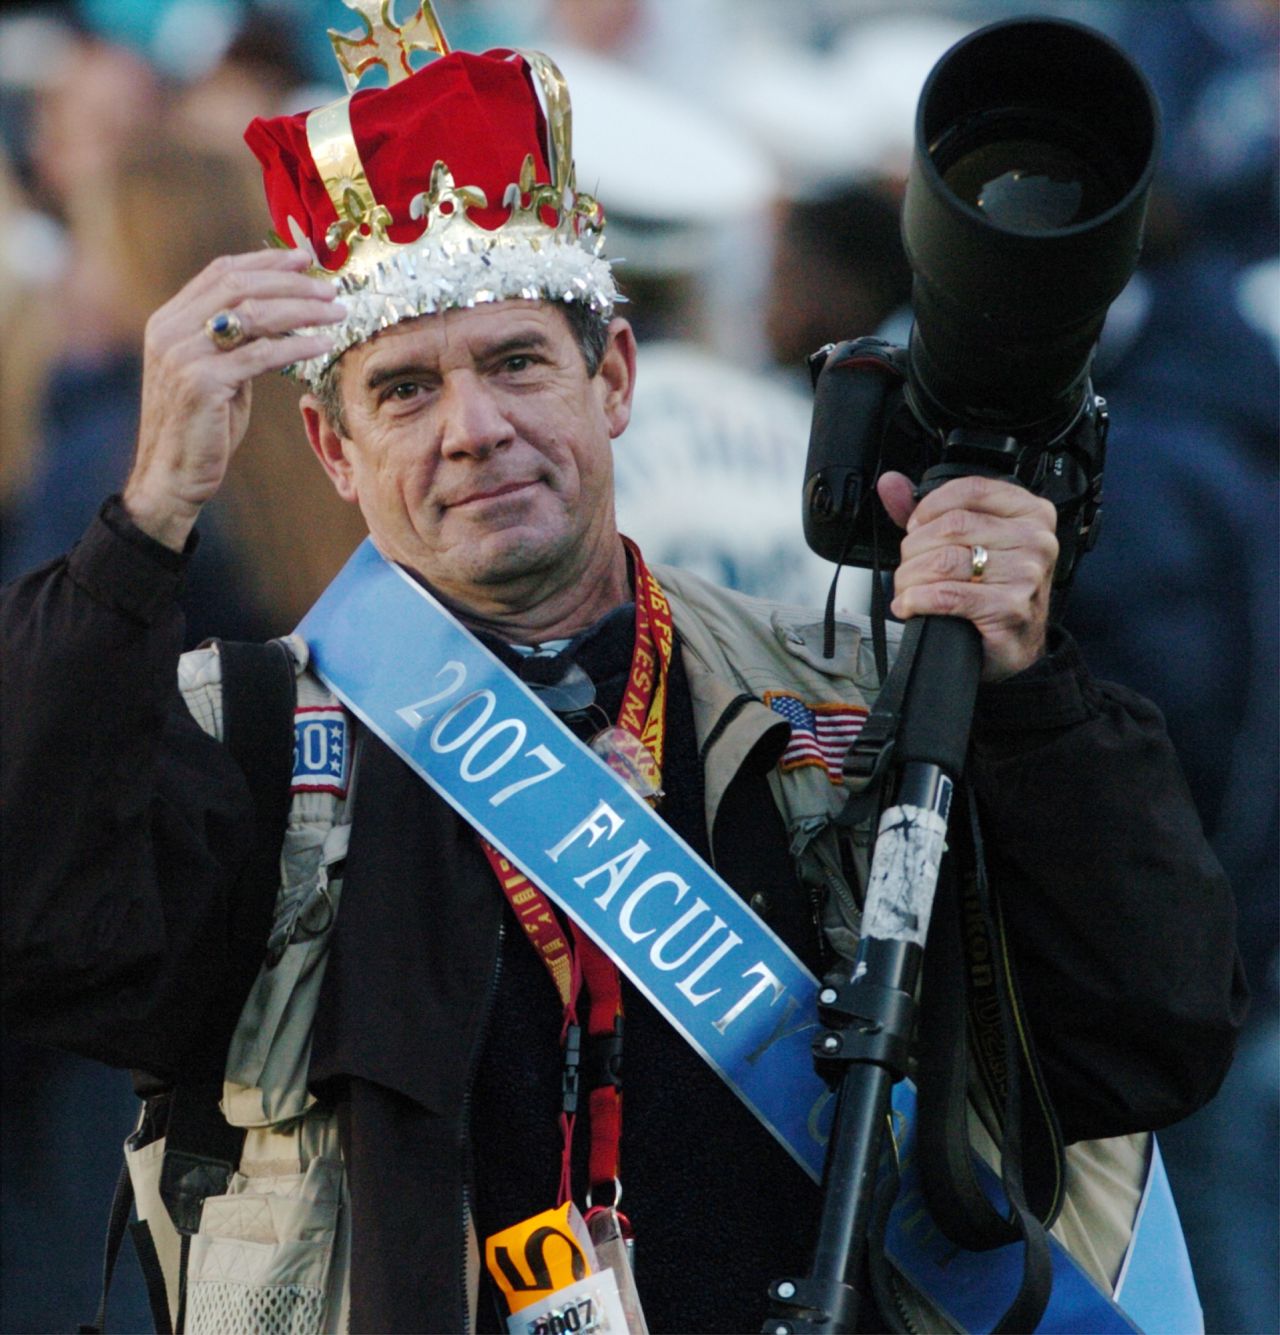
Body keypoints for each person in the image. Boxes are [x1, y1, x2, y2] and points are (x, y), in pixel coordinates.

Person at [0, 7, 1246, 1334]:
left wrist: (1027, 686)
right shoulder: (251, 733)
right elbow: (39, 938)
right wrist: (139, 530)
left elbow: (1148, 1033)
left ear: (618, 378)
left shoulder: (844, 695)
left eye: (518, 362)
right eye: (407, 390)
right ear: (328, 448)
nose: (475, 430)